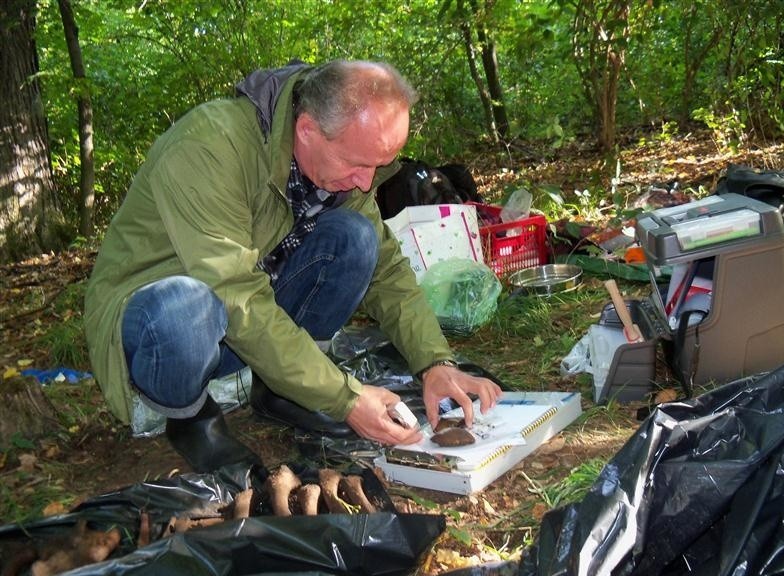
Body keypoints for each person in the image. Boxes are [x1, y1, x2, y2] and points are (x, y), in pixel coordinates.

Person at [84, 59, 502, 473]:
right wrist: (345, 397)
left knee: (355, 237)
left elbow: (387, 272)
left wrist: (435, 364)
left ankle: (282, 391)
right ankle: (189, 417)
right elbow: (236, 296)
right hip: (162, 332)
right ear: (307, 130)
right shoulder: (209, 147)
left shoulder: (342, 164)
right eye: (357, 164)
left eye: (376, 167)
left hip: (245, 321)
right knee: (185, 306)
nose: (365, 182)